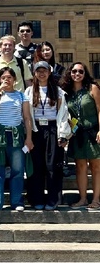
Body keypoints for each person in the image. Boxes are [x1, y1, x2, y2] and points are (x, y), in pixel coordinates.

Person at [0, 67, 34, 212]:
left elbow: (26, 118)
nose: (6, 79)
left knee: (17, 170)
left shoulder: (21, 95)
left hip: (16, 135)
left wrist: (29, 138)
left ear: (14, 79)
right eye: (3, 77)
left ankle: (17, 201)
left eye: (9, 77)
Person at [25, 61, 71, 210]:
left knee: (52, 166)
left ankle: (53, 200)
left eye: (44, 70)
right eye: (38, 71)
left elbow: (63, 114)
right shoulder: (29, 91)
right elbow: (26, 115)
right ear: (34, 73)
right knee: (36, 166)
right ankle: (36, 199)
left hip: (52, 129)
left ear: (49, 72)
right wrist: (28, 136)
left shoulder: (57, 91)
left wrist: (62, 134)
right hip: (36, 129)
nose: (42, 73)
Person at [60, 63, 100, 209]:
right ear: (70, 73)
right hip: (78, 134)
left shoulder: (92, 88)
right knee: (80, 167)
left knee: (96, 167)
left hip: (93, 132)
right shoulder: (67, 92)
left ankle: (96, 199)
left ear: (85, 73)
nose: (77, 74)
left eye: (80, 71)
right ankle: (83, 198)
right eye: (74, 71)